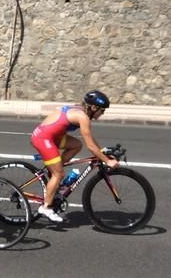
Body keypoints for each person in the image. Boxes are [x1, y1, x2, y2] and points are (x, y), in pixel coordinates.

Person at [30, 89, 120, 223]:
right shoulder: (82, 117)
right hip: (43, 139)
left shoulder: (81, 110)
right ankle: (46, 207)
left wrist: (101, 151)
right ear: (94, 107)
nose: (102, 113)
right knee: (58, 174)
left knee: (76, 145)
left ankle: (54, 169)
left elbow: (90, 139)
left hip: (53, 136)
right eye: (102, 110)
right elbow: (90, 146)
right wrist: (107, 161)